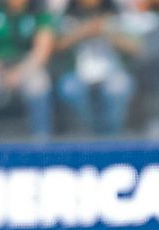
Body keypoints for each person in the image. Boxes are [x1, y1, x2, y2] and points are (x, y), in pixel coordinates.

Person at [0, 0, 54, 138]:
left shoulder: (39, 10)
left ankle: (41, 140)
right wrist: (2, 71)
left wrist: (19, 72)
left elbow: (42, 53)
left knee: (39, 83)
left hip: (26, 64)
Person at [55, 0, 138, 136]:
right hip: (78, 74)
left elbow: (136, 48)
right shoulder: (68, 17)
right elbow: (57, 47)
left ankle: (112, 135)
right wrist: (83, 32)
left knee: (120, 87)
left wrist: (106, 31)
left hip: (111, 72)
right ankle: (88, 132)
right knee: (69, 89)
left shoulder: (116, 16)